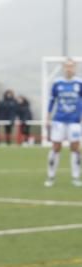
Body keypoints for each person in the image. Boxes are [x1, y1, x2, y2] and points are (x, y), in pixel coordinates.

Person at [45, 58, 82, 187]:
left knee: (76, 148)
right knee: (56, 147)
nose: (69, 69)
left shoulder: (79, 83)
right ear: (64, 67)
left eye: (71, 66)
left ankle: (75, 177)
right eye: (67, 66)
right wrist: (48, 117)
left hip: (74, 121)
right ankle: (51, 176)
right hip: (59, 120)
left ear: (75, 68)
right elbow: (52, 101)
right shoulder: (57, 83)